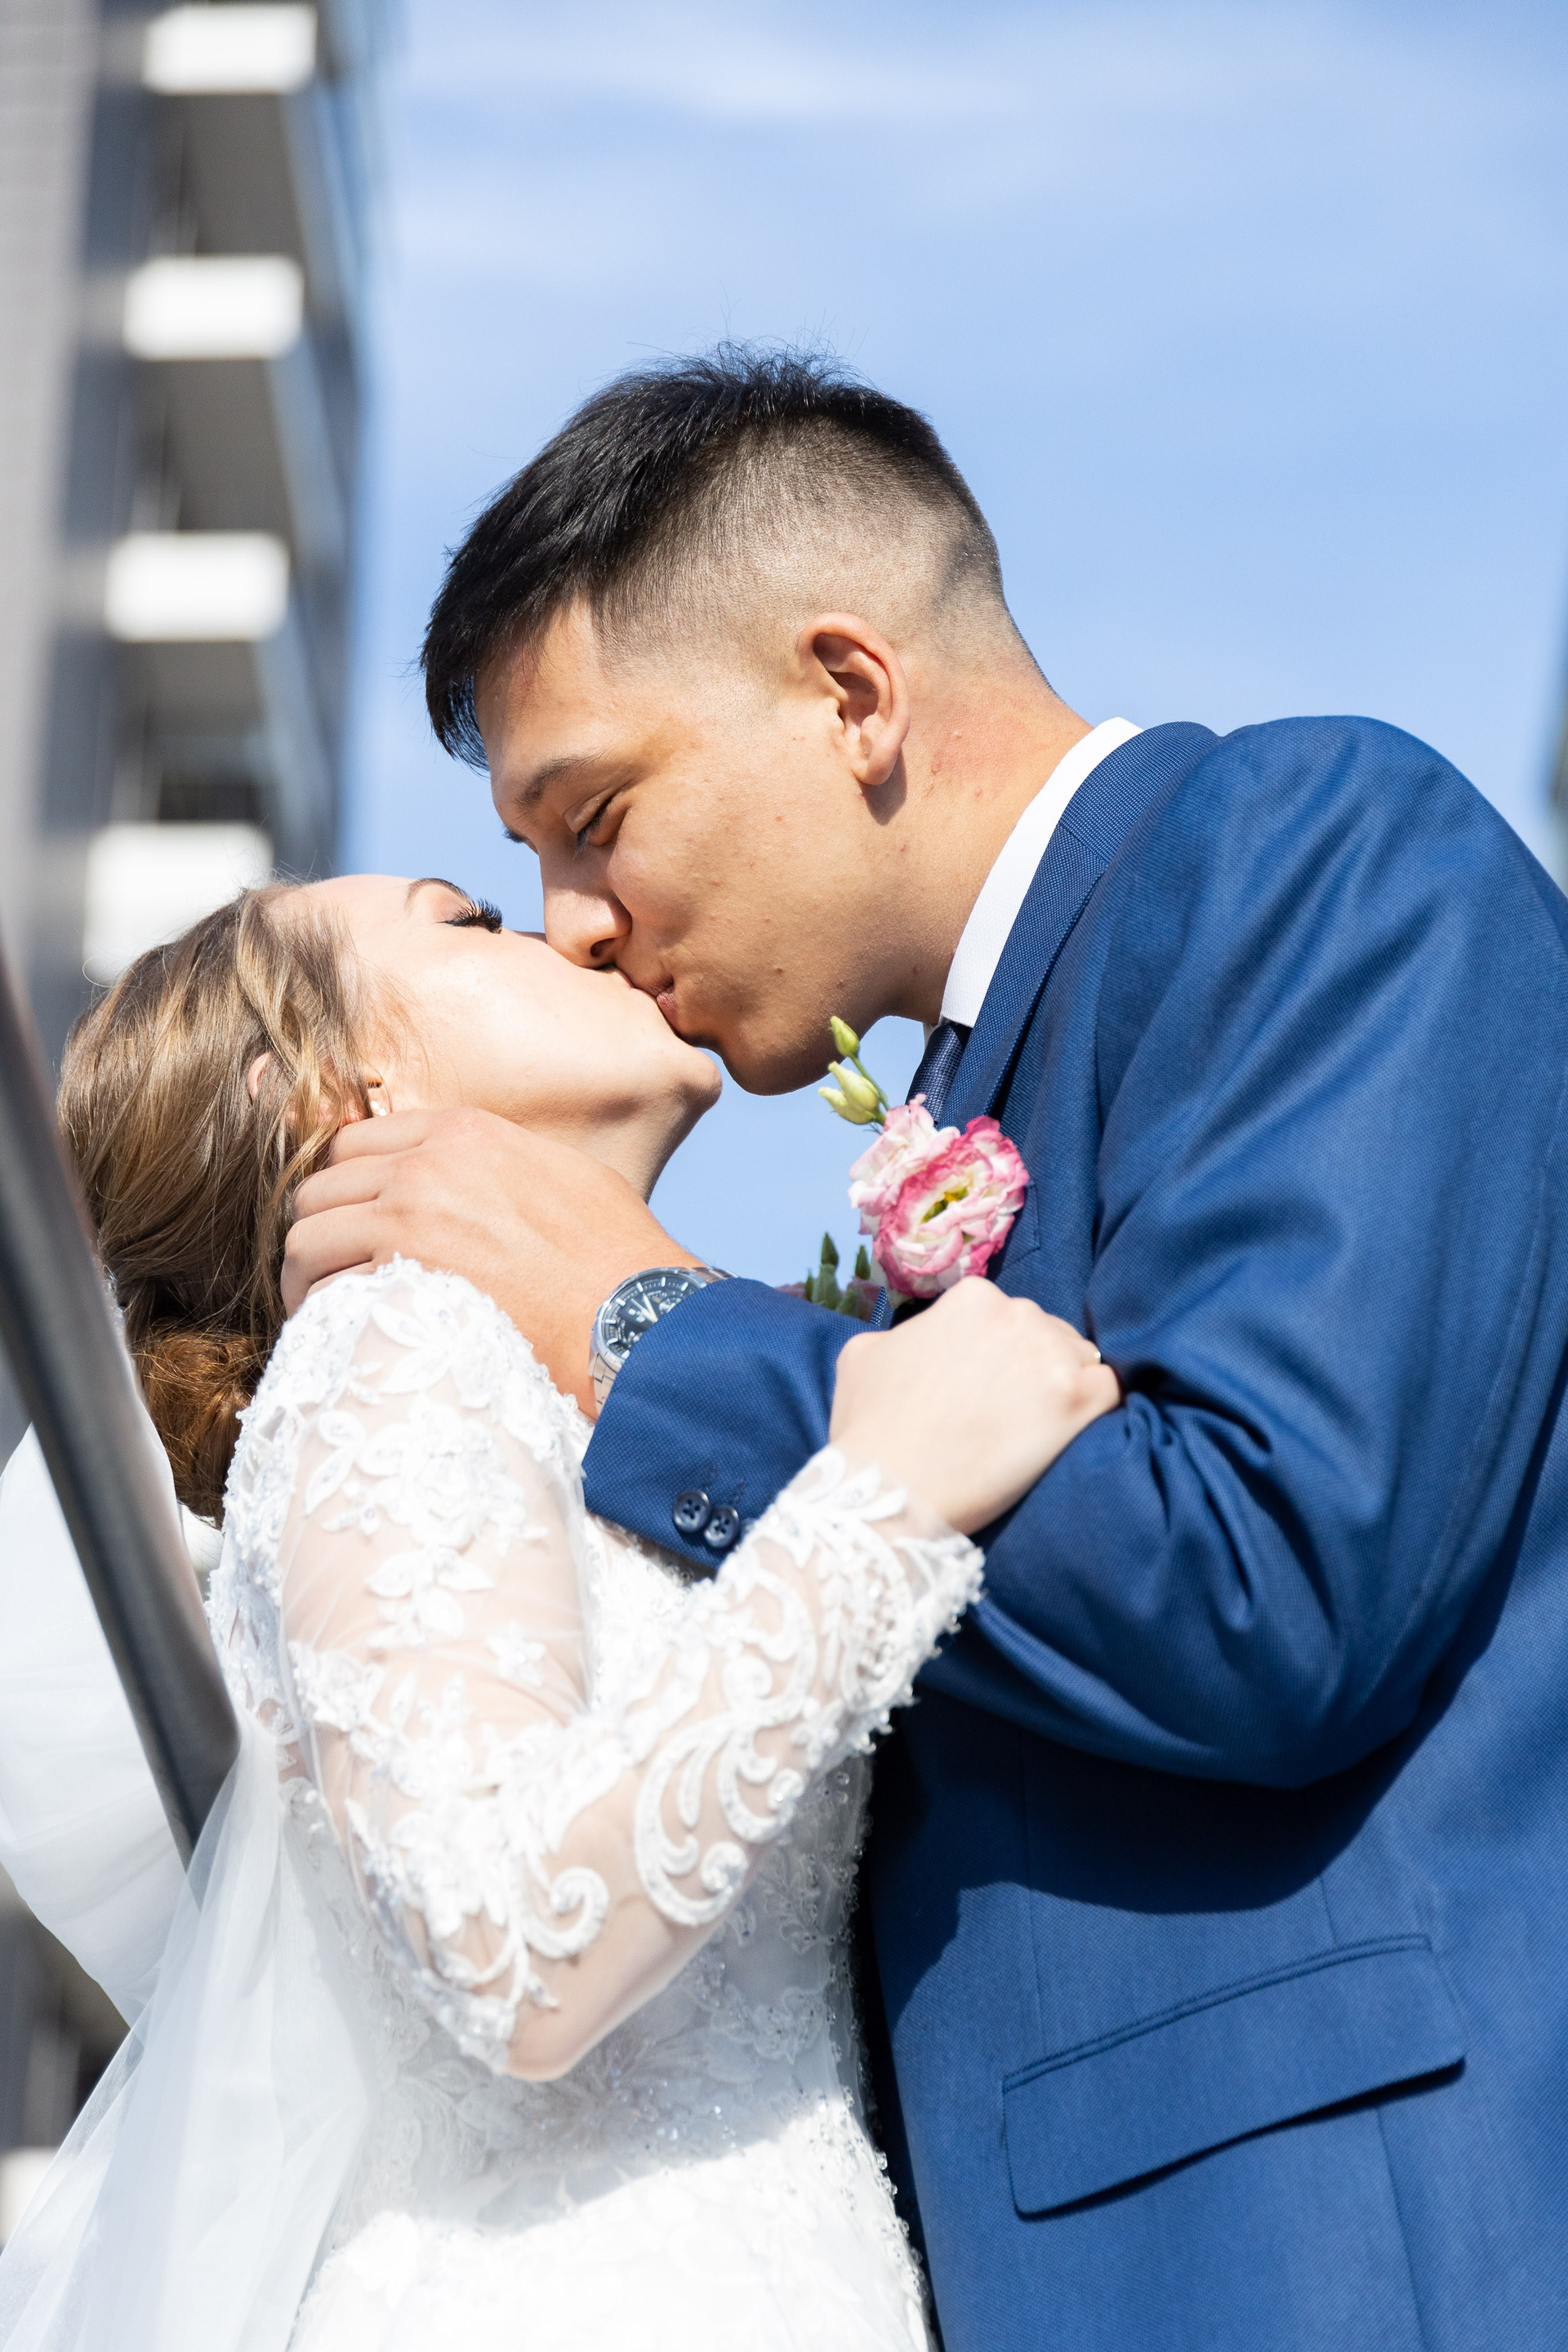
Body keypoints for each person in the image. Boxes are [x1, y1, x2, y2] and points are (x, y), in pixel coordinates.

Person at [284, 347, 1568, 2351]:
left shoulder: (1314, 842)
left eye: (594, 817)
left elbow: (1273, 1576)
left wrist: (640, 1320)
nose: (574, 924)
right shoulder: (953, 1105)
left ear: (851, 692)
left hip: (1322, 2254)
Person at [0, 874, 1112, 2352]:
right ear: (341, 1090)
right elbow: (502, 1941)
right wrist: (887, 1499)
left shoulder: (584, 1409)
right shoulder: (391, 1342)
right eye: (466, 919)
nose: (575, 930)